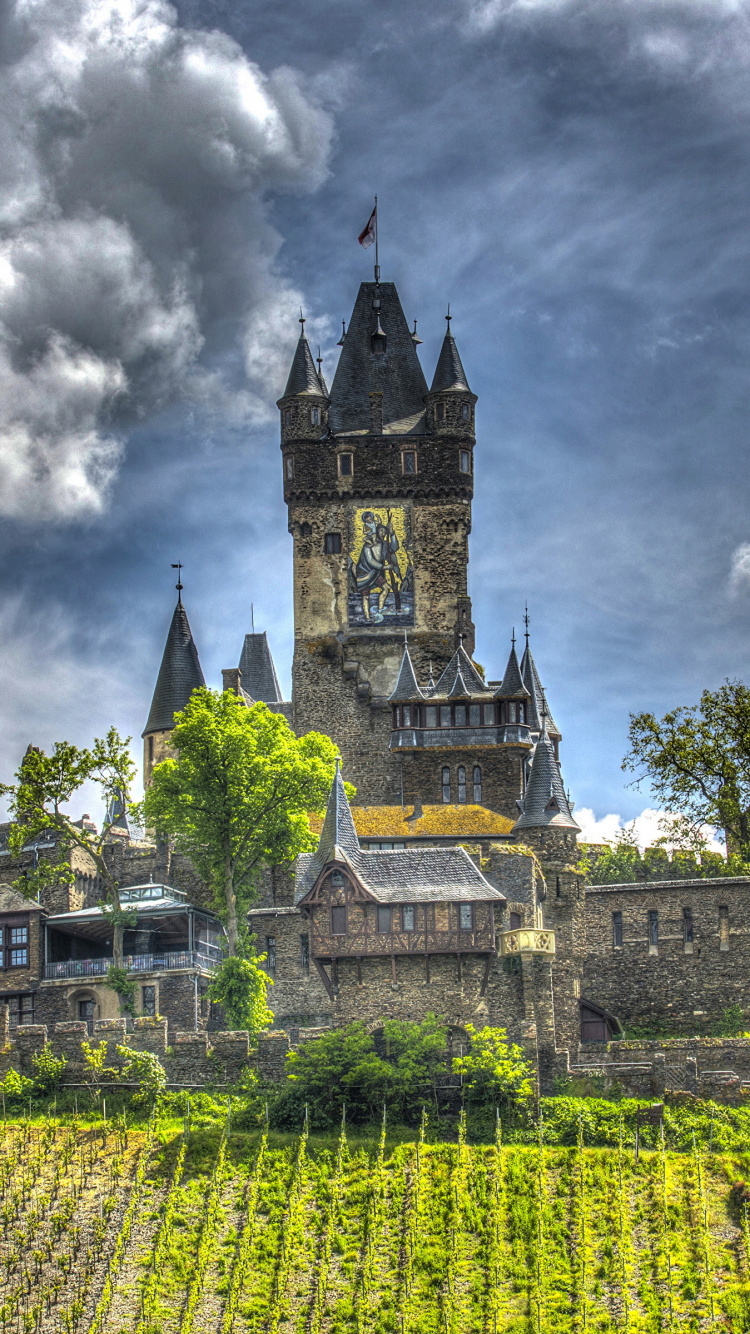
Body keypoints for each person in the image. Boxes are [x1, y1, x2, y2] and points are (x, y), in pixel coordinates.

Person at [352, 511, 401, 621]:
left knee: (387, 588)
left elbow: (394, 548)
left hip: (376, 573)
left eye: (385, 531)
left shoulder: (384, 544)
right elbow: (370, 561)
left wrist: (392, 533)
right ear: (377, 531)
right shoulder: (367, 545)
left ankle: (380, 610)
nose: (383, 533)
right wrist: (385, 567)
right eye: (381, 531)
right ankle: (368, 617)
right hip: (364, 573)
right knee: (366, 596)